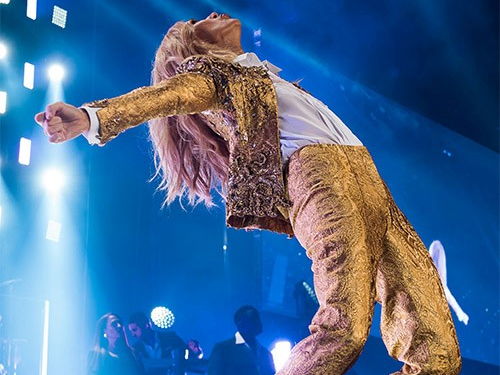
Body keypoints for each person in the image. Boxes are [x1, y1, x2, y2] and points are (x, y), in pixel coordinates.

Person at [35, 12, 461, 375]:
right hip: (319, 178)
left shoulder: (266, 76)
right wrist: (91, 118)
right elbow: (163, 98)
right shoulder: (211, 79)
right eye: (198, 20)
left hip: (371, 184)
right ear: (192, 47)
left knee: (436, 347)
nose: (213, 13)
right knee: (344, 329)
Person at [208, 305, 275, 375]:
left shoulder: (266, 354)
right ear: (241, 323)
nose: (259, 322)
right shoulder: (223, 349)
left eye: (258, 319)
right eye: (254, 319)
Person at [429, 240, 469, 325]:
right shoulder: (441, 289)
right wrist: (460, 313)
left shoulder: (440, 288)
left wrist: (460, 313)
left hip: (434, 282)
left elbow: (450, 299)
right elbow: (450, 299)